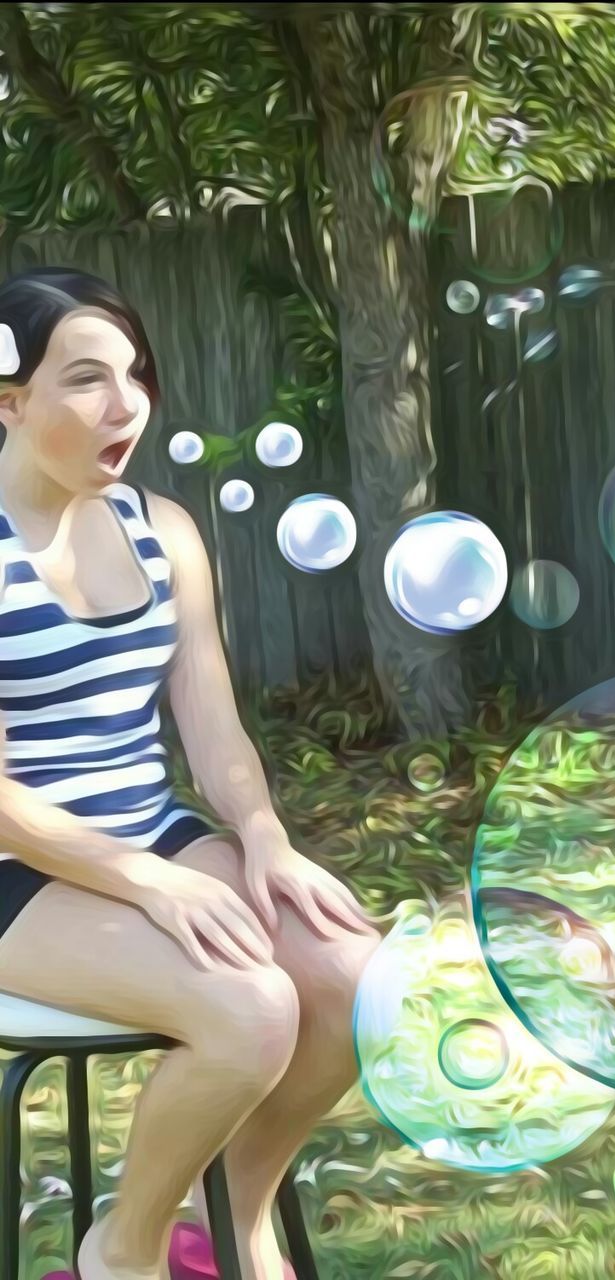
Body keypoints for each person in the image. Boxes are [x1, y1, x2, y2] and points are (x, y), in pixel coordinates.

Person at [0, 267, 383, 1280]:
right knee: (251, 1009)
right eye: (86, 378)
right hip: (17, 868)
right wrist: (150, 880)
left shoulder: (160, 528)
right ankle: (119, 1250)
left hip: (148, 832)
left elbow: (212, 726)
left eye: (135, 374)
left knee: (351, 977)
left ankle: (230, 1217)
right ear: (9, 398)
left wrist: (265, 837)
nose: (126, 404)